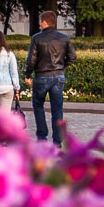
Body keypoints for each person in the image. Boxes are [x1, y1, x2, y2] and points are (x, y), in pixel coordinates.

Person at [24, 11, 76, 145]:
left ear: (45, 22)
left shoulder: (37, 38)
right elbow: (72, 57)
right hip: (58, 76)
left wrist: (28, 75)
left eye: (41, 21)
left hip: (41, 76)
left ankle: (42, 137)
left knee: (38, 106)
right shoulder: (64, 38)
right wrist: (61, 67)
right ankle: (57, 141)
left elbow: (31, 60)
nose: (40, 24)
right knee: (57, 109)